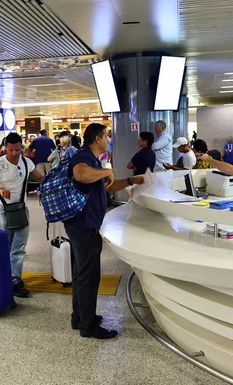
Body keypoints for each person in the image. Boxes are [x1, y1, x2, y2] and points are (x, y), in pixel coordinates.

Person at [64, 123, 144, 339]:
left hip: (82, 224)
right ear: (97, 139)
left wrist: (129, 181)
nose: (109, 139)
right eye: (106, 136)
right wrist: (106, 171)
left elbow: (105, 186)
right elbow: (80, 174)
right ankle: (87, 326)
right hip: (84, 226)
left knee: (82, 274)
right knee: (89, 276)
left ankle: (80, 317)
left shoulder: (92, 160)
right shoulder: (83, 157)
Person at [0, 132, 44, 298]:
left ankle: (15, 280)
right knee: (5, 246)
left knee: (19, 247)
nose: (15, 153)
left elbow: (40, 178)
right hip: (3, 209)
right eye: (11, 150)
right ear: (5, 148)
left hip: (21, 209)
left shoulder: (26, 162)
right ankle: (5, 278)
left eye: (18, 150)